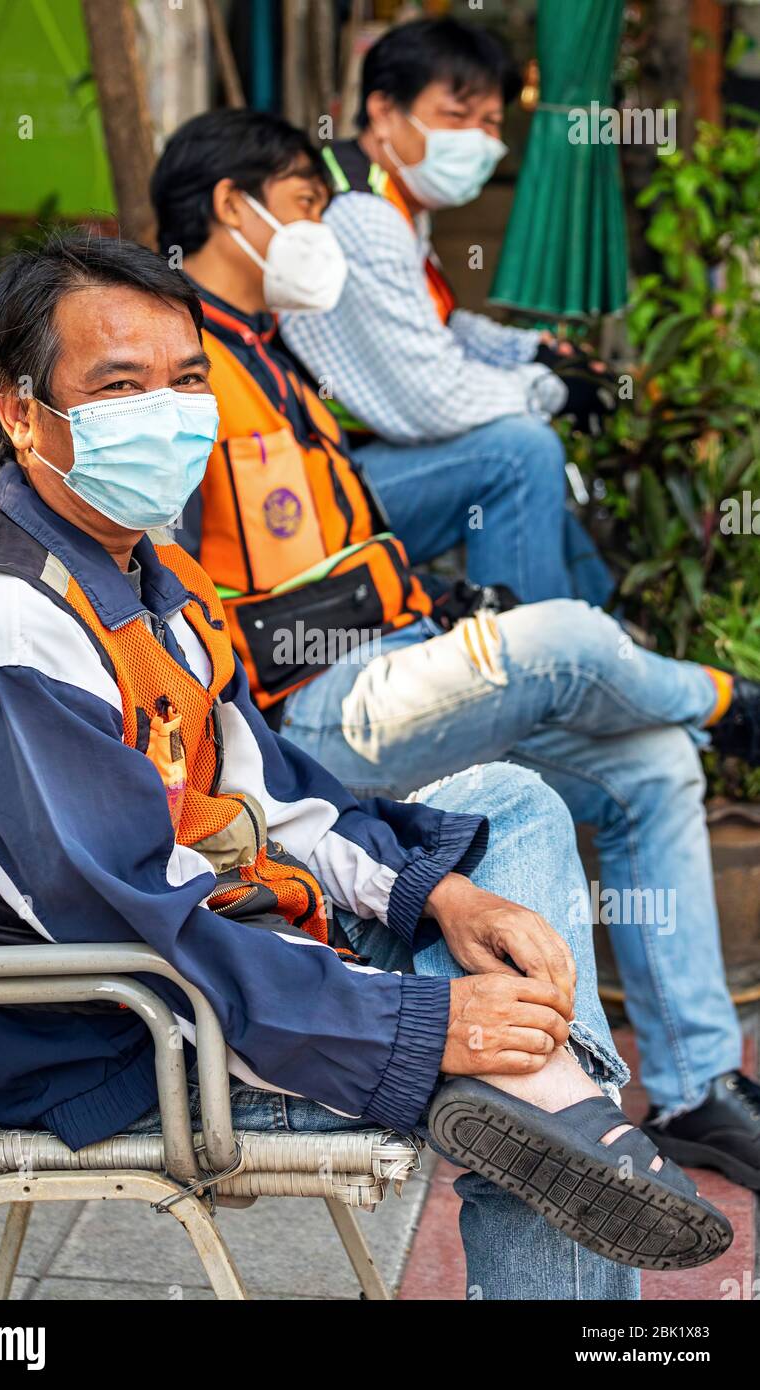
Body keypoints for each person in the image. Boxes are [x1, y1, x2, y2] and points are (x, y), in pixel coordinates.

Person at [0, 232, 731, 1299]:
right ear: (20, 413)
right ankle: (558, 1097)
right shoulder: (2, 625)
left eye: (187, 379)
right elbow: (131, 929)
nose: (170, 410)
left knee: (509, 805)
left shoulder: (150, 573)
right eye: (120, 386)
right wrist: (425, 1024)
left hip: (238, 949)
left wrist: (446, 894)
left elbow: (269, 794)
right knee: (509, 1098)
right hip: (126, 1034)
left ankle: (548, 1089)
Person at [151, 107, 760, 1192]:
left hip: (379, 677)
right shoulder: (173, 379)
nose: (321, 232)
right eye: (302, 204)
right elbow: (209, 622)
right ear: (231, 208)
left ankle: (691, 1087)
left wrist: (419, 608)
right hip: (305, 722)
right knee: (567, 637)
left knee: (646, 765)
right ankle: (727, 699)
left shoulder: (274, 361)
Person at [281, 15, 618, 607]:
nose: (480, 140)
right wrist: (549, 389)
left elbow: (436, 325)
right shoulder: (362, 217)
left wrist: (530, 351)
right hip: (304, 493)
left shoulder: (388, 195)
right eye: (456, 117)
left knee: (522, 452)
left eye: (490, 122)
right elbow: (432, 397)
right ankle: (542, 659)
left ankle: (599, 624)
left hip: (350, 461)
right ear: (384, 110)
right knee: (520, 452)